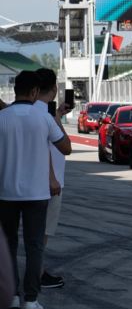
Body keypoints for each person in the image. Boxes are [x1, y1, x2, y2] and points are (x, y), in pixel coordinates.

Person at [0, 70, 73, 309]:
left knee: (8, 244)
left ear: (14, 90)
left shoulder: (3, 117)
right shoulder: (43, 118)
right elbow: (66, 147)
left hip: (6, 192)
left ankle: (11, 296)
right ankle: (31, 299)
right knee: (34, 246)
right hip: (37, 194)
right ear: (34, 92)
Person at [34, 69, 67, 289]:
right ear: (54, 89)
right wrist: (52, 178)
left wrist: (58, 117)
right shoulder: (45, 116)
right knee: (42, 234)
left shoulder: (41, 114)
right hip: (49, 184)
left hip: (36, 182)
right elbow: (66, 147)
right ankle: (37, 274)